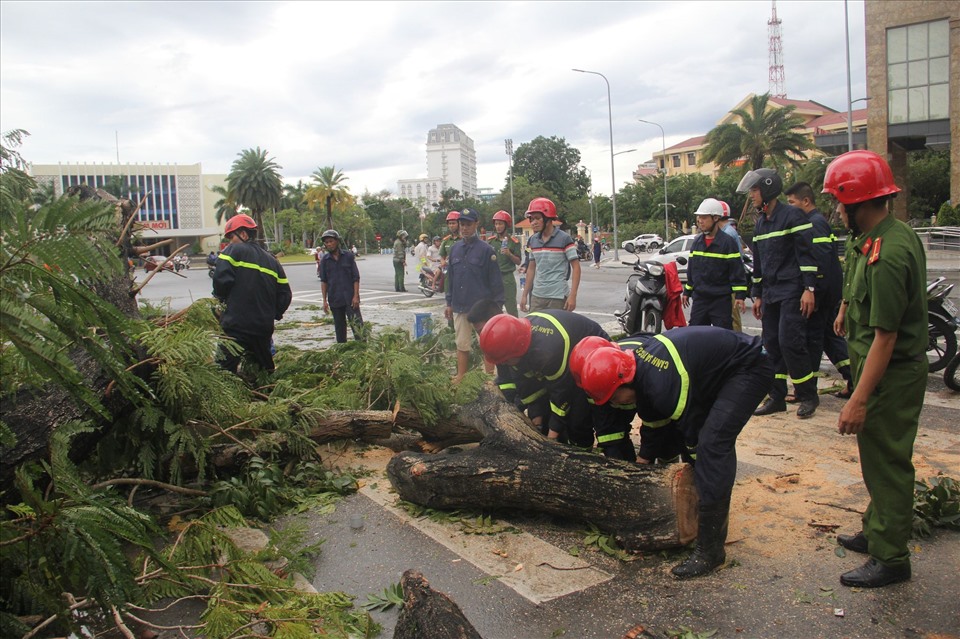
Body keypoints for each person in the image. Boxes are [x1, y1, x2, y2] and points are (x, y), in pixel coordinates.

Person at [570, 326, 774, 578]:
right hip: (718, 370)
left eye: (613, 398)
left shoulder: (660, 385)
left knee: (711, 445)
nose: (614, 405)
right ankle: (705, 509)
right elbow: (657, 422)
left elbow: (691, 433)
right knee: (702, 448)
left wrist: (702, 476)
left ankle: (710, 550)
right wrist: (645, 458)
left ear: (624, 380)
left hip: (750, 366)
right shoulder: (641, 371)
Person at [823, 150, 927, 589]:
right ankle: (876, 529)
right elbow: (858, 281)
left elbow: (886, 338)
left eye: (837, 202)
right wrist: (847, 306)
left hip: (889, 375)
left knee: (887, 466)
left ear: (855, 202)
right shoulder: (874, 237)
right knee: (875, 461)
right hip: (877, 368)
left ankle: (892, 558)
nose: (834, 210)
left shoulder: (888, 253)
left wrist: (858, 400)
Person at [737, 168, 820, 419]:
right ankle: (777, 396)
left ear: (768, 189)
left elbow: (806, 255)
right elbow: (759, 262)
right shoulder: (761, 222)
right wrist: (758, 294)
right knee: (771, 344)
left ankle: (807, 395)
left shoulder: (793, 216)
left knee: (790, 341)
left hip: (792, 290)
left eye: (754, 190)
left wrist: (809, 288)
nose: (752, 195)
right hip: (771, 293)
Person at [478, 310, 621, 454]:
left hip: (592, 357)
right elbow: (526, 385)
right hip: (564, 361)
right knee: (546, 418)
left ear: (519, 349)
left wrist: (551, 439)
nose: (505, 364)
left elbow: (561, 394)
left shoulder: (547, 352)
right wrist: (537, 420)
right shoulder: (515, 341)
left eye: (506, 360)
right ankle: (564, 448)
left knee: (577, 419)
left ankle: (582, 456)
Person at [785, 181, 853, 399]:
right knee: (829, 339)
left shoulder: (814, 224)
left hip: (822, 294)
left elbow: (820, 262)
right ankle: (854, 379)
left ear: (806, 201)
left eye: (791, 203)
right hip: (826, 292)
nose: (789, 207)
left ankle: (807, 389)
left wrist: (811, 291)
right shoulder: (815, 222)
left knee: (812, 340)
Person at [212, 214, 292, 374]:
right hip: (263, 328)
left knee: (223, 372)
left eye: (231, 237)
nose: (229, 242)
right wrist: (272, 313)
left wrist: (220, 304)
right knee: (264, 370)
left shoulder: (233, 251)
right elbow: (285, 295)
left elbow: (221, 282)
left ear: (243, 234)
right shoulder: (272, 261)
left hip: (236, 326)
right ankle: (267, 394)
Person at [444, 209, 505, 382]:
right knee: (461, 343)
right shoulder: (455, 249)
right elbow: (451, 279)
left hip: (482, 308)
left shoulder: (487, 250)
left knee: (487, 344)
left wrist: (496, 309)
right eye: (462, 224)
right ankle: (461, 376)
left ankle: (488, 378)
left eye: (468, 224)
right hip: (460, 305)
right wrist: (449, 303)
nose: (464, 228)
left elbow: (496, 282)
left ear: (476, 224)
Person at [682, 198, 747, 330]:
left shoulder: (727, 242)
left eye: (704, 217)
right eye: (699, 217)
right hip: (700, 300)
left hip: (721, 301)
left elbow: (736, 270)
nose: (700, 221)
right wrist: (687, 292)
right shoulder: (697, 242)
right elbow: (692, 271)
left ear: (716, 218)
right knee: (696, 335)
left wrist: (740, 295)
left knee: (723, 338)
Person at [519, 197, 581, 313]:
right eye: (531, 219)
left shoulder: (564, 239)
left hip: (558, 297)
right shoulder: (533, 240)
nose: (533, 222)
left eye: (537, 218)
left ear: (548, 219)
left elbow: (576, 267)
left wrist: (573, 296)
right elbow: (531, 269)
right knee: (534, 329)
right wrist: (524, 295)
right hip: (537, 296)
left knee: (557, 329)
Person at [318, 229, 364, 344]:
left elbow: (356, 278)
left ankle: (363, 350)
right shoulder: (324, 261)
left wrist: (356, 296)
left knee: (358, 327)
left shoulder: (348, 256)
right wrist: (324, 301)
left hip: (350, 299)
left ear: (337, 241)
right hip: (335, 299)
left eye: (331, 241)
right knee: (340, 329)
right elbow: (324, 282)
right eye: (326, 242)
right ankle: (342, 351)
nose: (328, 244)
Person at [487, 210, 522, 316]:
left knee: (511, 308)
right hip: (493, 278)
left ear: (506, 225)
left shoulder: (513, 242)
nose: (498, 226)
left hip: (507, 278)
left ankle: (515, 331)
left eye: (500, 224)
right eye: (496, 224)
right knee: (494, 309)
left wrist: (509, 254)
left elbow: (519, 261)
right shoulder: (491, 241)